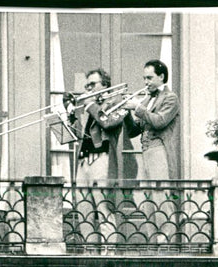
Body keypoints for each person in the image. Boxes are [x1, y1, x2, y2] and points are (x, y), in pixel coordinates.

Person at [120, 60, 180, 244]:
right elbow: (133, 131)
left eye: (149, 77)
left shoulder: (170, 98)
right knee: (146, 196)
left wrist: (137, 108)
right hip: (146, 152)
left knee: (160, 193)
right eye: (144, 78)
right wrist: (126, 112)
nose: (146, 82)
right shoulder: (147, 99)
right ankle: (153, 239)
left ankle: (167, 238)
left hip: (159, 149)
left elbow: (160, 121)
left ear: (161, 77)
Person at [66, 68, 128, 245]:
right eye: (87, 86)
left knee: (104, 209)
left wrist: (90, 104)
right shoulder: (90, 107)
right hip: (83, 160)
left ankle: (109, 254)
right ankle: (89, 252)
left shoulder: (118, 101)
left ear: (106, 85)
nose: (89, 89)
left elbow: (108, 123)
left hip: (102, 158)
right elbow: (78, 135)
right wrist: (70, 115)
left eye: (92, 84)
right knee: (83, 210)